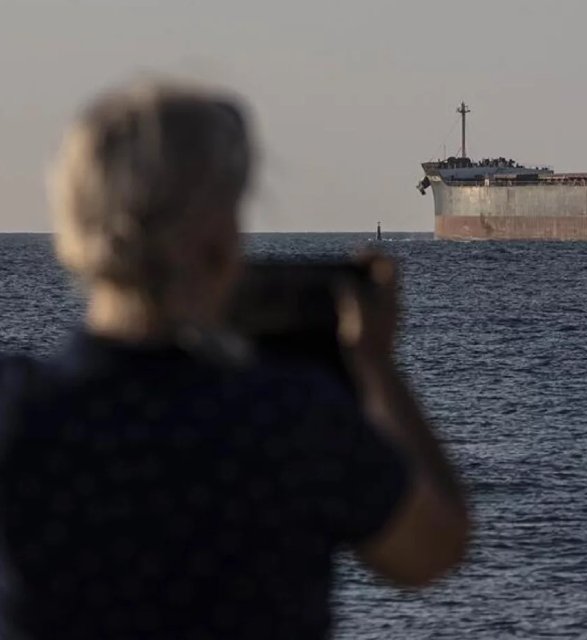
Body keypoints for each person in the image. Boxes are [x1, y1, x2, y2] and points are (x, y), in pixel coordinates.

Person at [0, 80, 470, 639]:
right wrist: (374, 365)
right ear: (220, 243)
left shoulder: (13, 410)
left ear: (72, 226)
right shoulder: (292, 418)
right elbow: (433, 548)